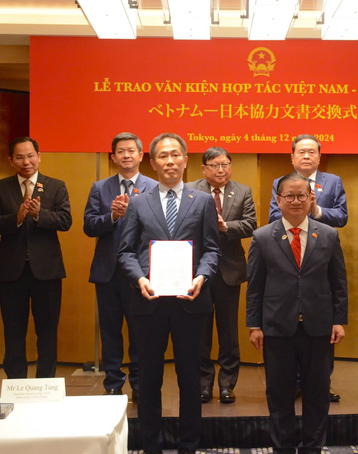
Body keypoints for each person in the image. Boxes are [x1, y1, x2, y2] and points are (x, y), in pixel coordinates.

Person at [117, 133, 220, 454]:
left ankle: (189, 445)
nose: (170, 161)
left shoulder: (202, 201)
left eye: (176, 155)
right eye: (163, 156)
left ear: (186, 160)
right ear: (153, 162)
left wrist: (202, 276)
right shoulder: (137, 203)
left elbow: (212, 250)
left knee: (191, 380)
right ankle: (152, 446)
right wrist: (139, 279)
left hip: (191, 302)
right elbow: (125, 252)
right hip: (148, 303)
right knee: (149, 381)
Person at [247, 172, 348, 454]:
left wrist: (339, 320)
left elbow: (339, 282)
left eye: (301, 195)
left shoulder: (328, 234)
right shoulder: (262, 236)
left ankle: (313, 448)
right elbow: (254, 286)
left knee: (317, 395)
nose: (295, 201)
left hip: (319, 328)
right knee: (279, 396)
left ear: (310, 198)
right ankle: (283, 448)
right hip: (277, 328)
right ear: (278, 200)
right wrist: (254, 325)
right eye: (289, 196)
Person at [0, 136, 72, 379]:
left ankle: (45, 383)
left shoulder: (55, 186)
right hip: (12, 272)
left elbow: (65, 221)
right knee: (13, 332)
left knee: (47, 332)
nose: (26, 162)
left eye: (31, 155)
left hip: (47, 272)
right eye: (20, 157)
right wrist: (17, 217)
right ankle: (16, 384)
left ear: (39, 157)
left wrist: (38, 214)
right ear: (11, 161)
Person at [269, 134, 347, 401]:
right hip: (288, 256)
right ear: (292, 157)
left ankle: (322, 382)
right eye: (301, 152)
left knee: (319, 324)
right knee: (292, 325)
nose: (306, 156)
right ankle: (294, 383)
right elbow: (271, 216)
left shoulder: (333, 182)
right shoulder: (281, 183)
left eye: (311, 152)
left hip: (320, 256)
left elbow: (342, 216)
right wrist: (296, 208)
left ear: (319, 156)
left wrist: (315, 212)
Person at [84, 132, 157, 400]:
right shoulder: (99, 188)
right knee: (110, 330)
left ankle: (139, 382)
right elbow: (88, 226)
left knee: (140, 331)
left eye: (131, 151)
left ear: (141, 155)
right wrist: (111, 216)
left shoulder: (154, 187)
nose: (126, 155)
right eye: (121, 151)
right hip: (108, 272)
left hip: (141, 273)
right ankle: (113, 381)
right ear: (112, 157)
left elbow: (161, 229)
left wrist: (134, 217)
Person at [190, 146, 257, 404]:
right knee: (200, 332)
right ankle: (203, 384)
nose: (221, 170)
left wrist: (226, 226)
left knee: (228, 332)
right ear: (204, 168)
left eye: (226, 164)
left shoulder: (242, 191)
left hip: (229, 270)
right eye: (215, 165)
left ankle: (227, 384)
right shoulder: (190, 189)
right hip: (196, 271)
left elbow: (251, 224)